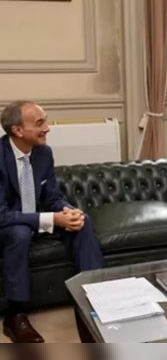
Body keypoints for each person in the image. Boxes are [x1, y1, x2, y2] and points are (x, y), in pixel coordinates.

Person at [0, 101, 104, 343]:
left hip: (38, 220)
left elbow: (52, 198)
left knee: (82, 221)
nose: (47, 128)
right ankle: (15, 316)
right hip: (8, 227)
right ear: (17, 130)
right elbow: (2, 215)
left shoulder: (43, 153)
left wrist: (68, 212)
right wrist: (52, 218)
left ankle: (97, 295)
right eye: (40, 123)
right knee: (19, 233)